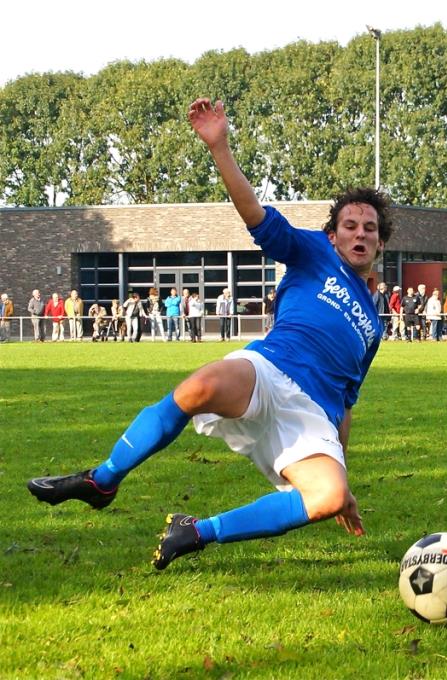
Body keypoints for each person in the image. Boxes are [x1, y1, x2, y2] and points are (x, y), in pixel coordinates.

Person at [28, 97, 391, 571]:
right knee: (197, 388)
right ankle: (103, 480)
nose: (360, 233)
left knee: (327, 496)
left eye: (370, 229)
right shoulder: (312, 252)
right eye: (350, 225)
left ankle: (196, 531)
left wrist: (340, 471)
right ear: (333, 235)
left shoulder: (374, 326)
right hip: (268, 371)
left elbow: (347, 401)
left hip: (311, 417)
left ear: (380, 243)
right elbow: (254, 213)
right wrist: (219, 147)